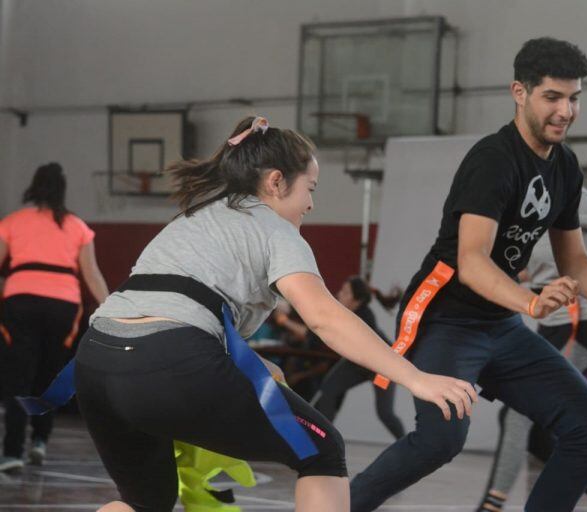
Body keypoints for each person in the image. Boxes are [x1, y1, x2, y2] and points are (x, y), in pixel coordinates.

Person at [73, 116, 477, 512]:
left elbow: (171, 311)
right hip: (168, 361)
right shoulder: (275, 229)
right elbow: (324, 318)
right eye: (309, 189)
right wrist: (415, 379)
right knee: (322, 450)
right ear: (276, 181)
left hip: (96, 362)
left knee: (144, 502)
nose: (311, 204)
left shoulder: (191, 219)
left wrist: (251, 363)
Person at [350, 38, 587, 512]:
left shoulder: (565, 167)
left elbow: (575, 261)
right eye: (552, 97)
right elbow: (472, 260)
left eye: (575, 98)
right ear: (519, 92)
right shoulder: (493, 160)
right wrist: (530, 302)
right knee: (441, 439)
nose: (566, 111)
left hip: (500, 325)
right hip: (445, 319)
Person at [477, 188, 587, 512]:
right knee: (539, 436)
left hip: (584, 323)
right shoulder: (509, 206)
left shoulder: (569, 194)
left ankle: (492, 505)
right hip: (552, 321)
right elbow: (520, 268)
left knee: (518, 414)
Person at [0, 163, 109, 472]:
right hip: (63, 305)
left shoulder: (12, 222)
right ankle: (40, 441)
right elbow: (92, 274)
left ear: (33, 187)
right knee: (48, 376)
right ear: (62, 190)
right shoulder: (77, 226)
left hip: (20, 301)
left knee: (18, 377)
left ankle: (11, 452)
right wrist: (111, 308)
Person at [310, 276, 405, 440]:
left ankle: (407, 444)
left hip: (382, 368)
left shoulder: (365, 316)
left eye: (346, 292)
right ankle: (323, 441)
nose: (339, 293)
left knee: (385, 413)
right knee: (328, 390)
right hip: (358, 363)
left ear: (356, 299)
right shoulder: (345, 313)